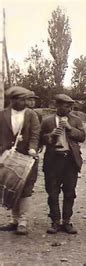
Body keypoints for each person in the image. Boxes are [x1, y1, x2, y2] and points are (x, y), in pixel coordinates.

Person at [40, 94, 85, 234]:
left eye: (71, 106)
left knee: (70, 192)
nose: (69, 109)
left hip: (70, 160)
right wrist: (51, 135)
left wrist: (70, 128)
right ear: (57, 106)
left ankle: (67, 222)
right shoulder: (47, 121)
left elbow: (82, 137)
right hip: (53, 160)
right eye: (66, 106)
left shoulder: (76, 120)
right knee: (52, 192)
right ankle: (55, 221)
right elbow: (41, 139)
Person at [0, 86, 40, 235]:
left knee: (25, 189)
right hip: (6, 158)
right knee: (10, 187)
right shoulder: (2, 115)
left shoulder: (31, 115)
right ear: (13, 100)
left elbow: (35, 134)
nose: (25, 102)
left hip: (27, 158)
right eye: (22, 99)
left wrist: (32, 149)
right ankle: (14, 220)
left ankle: (23, 221)